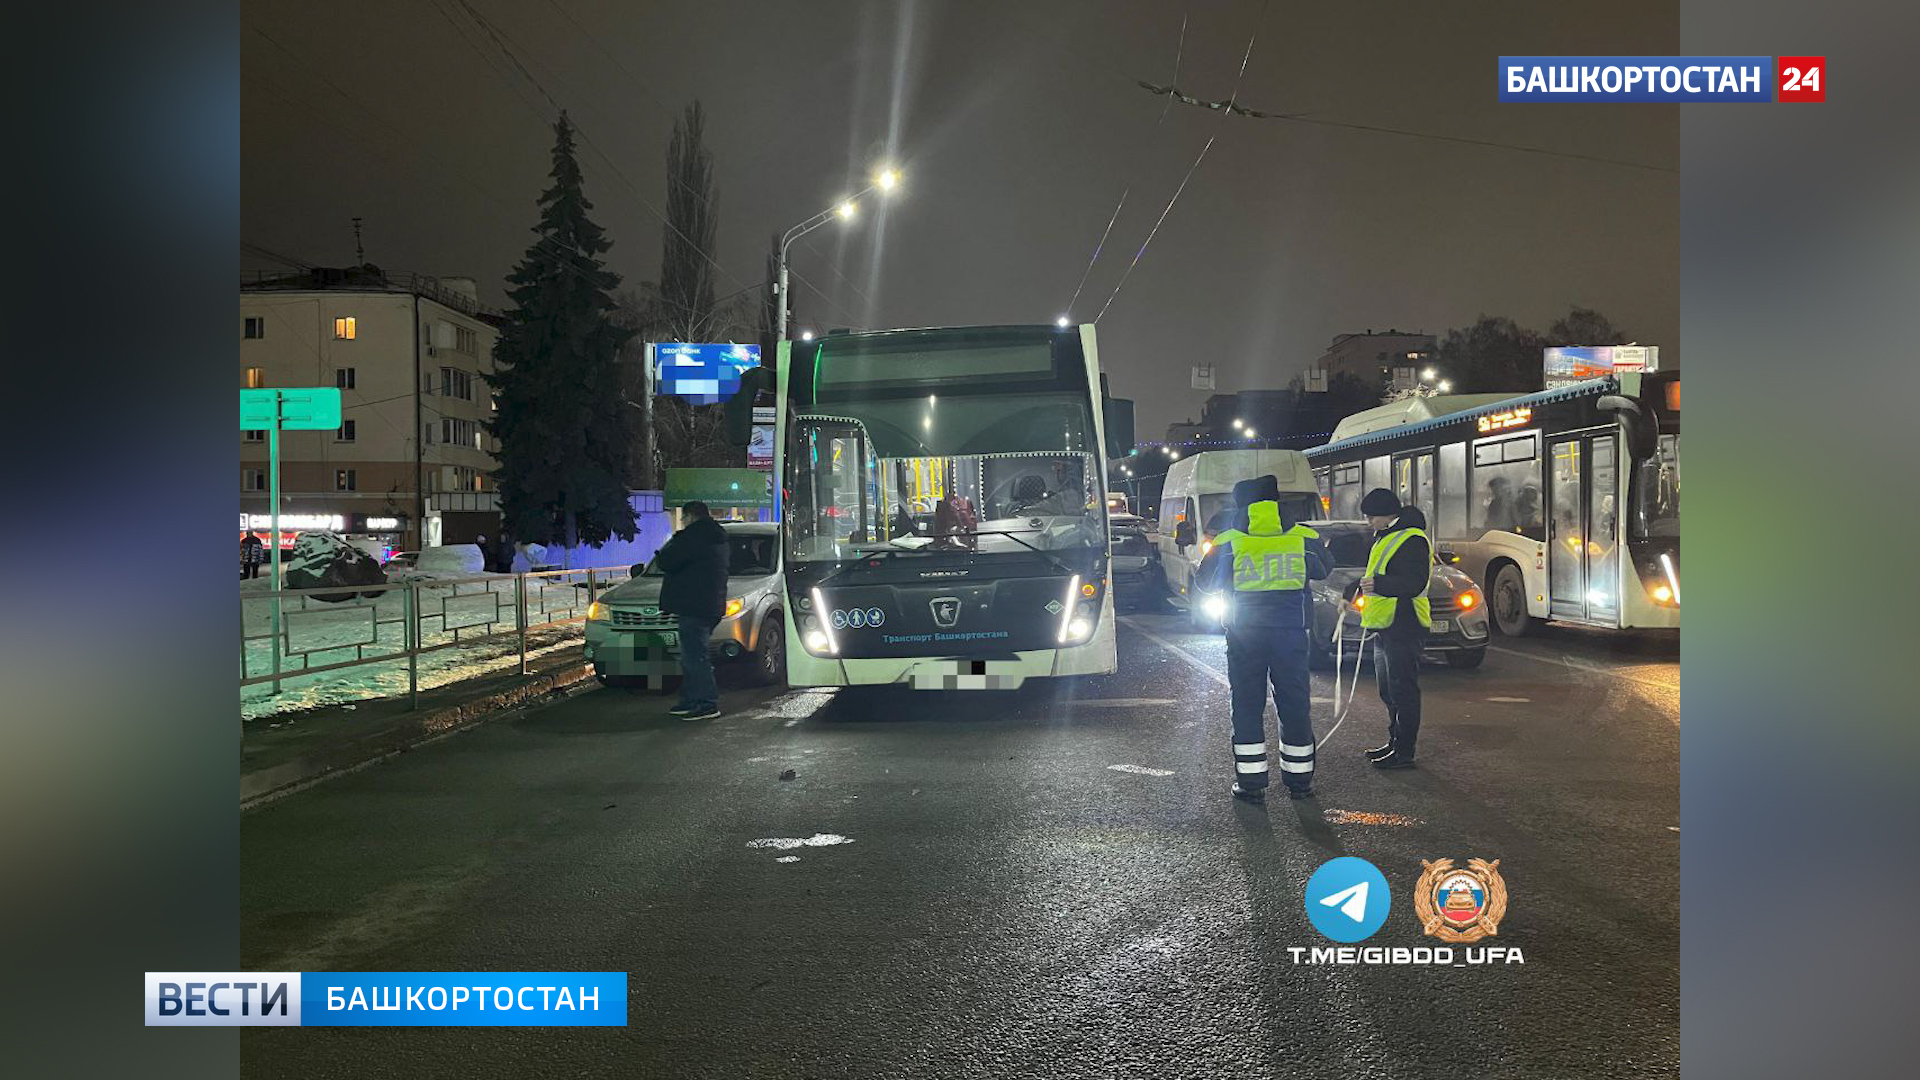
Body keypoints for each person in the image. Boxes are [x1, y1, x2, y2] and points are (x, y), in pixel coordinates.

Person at [1198, 474, 1331, 802]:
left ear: (1241, 505)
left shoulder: (1228, 540)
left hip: (1245, 635)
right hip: (1291, 633)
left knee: (1246, 705)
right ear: (1277, 502)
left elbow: (1204, 582)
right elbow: (1324, 569)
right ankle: (1300, 783)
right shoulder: (1304, 536)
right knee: (1294, 704)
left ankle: (1251, 784)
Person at [1358, 488, 1432, 769]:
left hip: (1404, 624)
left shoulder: (1412, 539)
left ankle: (1404, 752)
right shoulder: (1386, 536)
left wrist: (1379, 585)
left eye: (1371, 517)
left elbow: (1414, 582)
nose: (1369, 523)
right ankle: (1394, 742)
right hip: (1384, 625)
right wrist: (1352, 591)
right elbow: (1375, 574)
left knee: (1404, 689)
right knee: (1388, 689)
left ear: (1387, 514)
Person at [654, 500, 729, 720]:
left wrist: (670, 544)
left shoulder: (693, 537)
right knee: (692, 656)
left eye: (684, 518)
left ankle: (706, 703)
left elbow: (667, 560)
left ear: (691, 516)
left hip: (694, 605)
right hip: (708, 604)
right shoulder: (714, 536)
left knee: (695, 657)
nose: (682, 522)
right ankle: (691, 700)